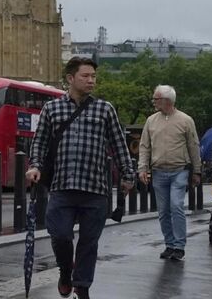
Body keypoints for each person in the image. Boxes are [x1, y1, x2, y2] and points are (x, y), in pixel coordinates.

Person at [28, 57, 137, 299]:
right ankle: (66, 272)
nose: (91, 81)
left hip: (95, 188)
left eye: (93, 77)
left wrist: (128, 175)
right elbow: (40, 144)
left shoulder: (104, 109)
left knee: (89, 242)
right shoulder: (52, 109)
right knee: (60, 236)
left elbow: (119, 146)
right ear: (70, 78)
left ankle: (82, 286)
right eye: (85, 76)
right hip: (62, 186)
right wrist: (34, 166)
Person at [138, 84, 201, 261]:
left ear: (166, 100)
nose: (153, 102)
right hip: (158, 171)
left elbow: (193, 146)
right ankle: (170, 244)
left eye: (156, 99)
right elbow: (144, 146)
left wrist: (197, 171)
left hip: (179, 170)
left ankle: (179, 246)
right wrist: (142, 167)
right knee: (163, 211)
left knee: (176, 205)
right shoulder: (151, 121)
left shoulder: (185, 120)